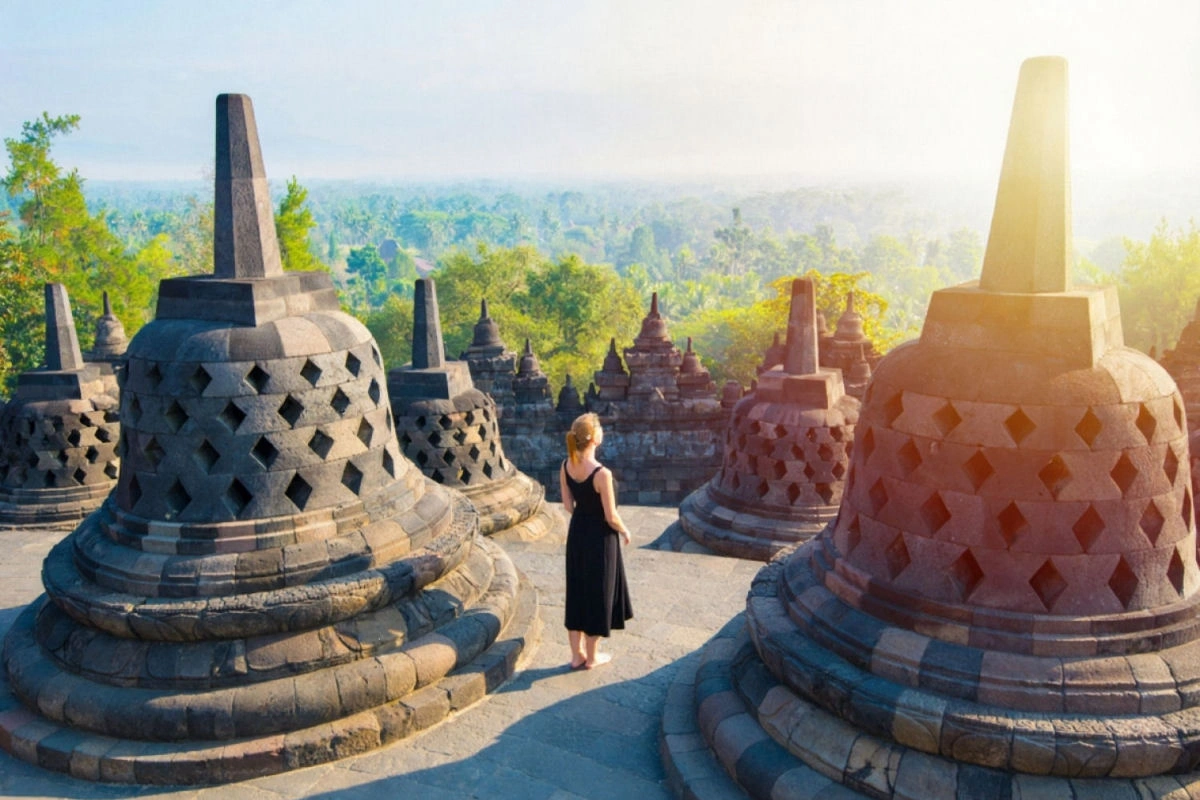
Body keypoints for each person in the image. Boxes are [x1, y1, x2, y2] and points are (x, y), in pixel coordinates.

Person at [560, 412, 633, 669]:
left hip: (578, 534)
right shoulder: (602, 474)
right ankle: (592, 657)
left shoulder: (566, 465)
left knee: (577, 591)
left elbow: (568, 506)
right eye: (599, 428)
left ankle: (576, 654)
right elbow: (611, 516)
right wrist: (625, 531)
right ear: (593, 438)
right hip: (600, 538)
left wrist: (584, 516)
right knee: (597, 593)